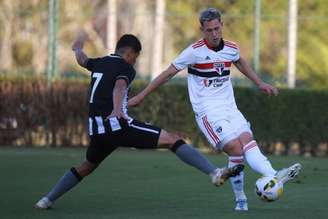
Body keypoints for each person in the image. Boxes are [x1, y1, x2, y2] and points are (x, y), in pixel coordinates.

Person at [34, 33, 244, 209]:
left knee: (87, 166)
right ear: (129, 53)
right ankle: (214, 172)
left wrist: (77, 47)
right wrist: (118, 111)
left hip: (96, 130)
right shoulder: (126, 68)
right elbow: (119, 87)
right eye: (136, 56)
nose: (135, 60)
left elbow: (82, 60)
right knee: (172, 139)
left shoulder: (101, 62)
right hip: (116, 125)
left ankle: (46, 200)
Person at [128, 8, 302, 211]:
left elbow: (239, 61)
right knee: (235, 148)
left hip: (230, 108)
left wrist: (259, 82)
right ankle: (241, 198)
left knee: (247, 141)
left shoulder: (230, 47)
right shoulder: (194, 51)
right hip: (208, 113)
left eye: (217, 28)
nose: (214, 33)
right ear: (202, 30)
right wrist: (141, 96)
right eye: (209, 30)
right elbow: (167, 74)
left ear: (222, 26)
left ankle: (274, 176)